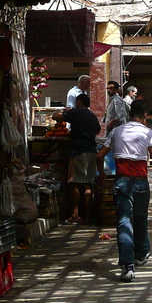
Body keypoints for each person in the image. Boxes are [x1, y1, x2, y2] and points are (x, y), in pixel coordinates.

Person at [98, 101, 152, 282]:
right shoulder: (147, 132)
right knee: (141, 218)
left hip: (121, 181)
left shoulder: (117, 131)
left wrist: (102, 176)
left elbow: (100, 155)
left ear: (129, 113)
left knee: (124, 222)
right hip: (141, 182)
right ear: (145, 115)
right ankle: (141, 253)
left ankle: (127, 266)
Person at [62, 93, 100, 225]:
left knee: (75, 182)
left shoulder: (76, 112)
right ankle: (88, 216)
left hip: (79, 150)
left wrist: (64, 112)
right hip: (91, 151)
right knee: (88, 183)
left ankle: (75, 214)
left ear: (79, 102)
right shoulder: (92, 116)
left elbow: (57, 117)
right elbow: (97, 131)